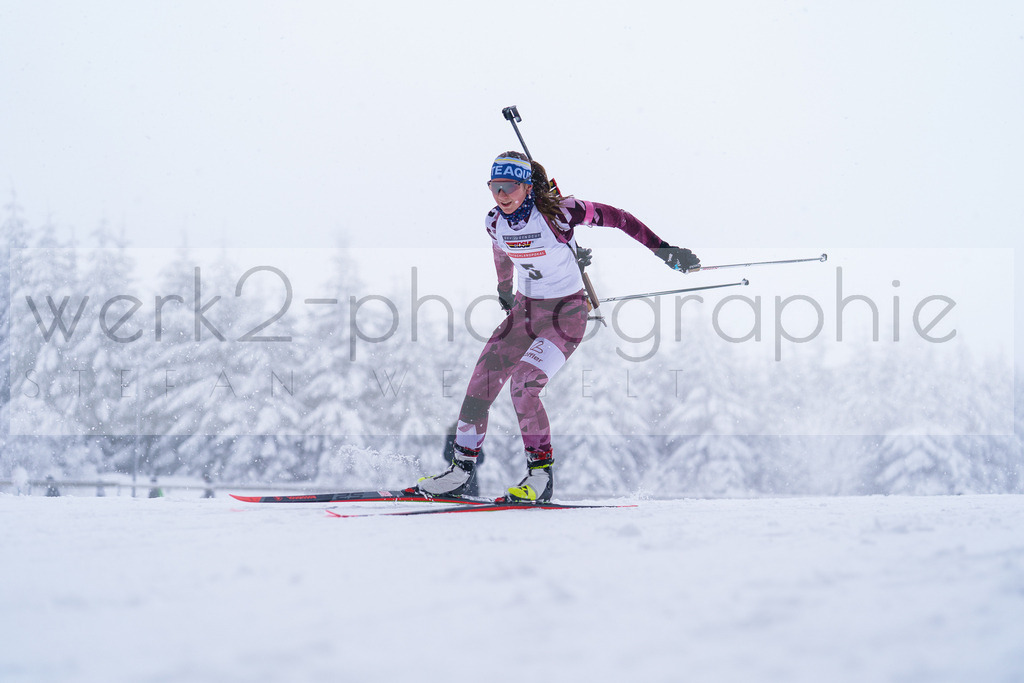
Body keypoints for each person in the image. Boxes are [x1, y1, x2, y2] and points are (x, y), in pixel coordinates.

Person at [415, 151, 699, 502]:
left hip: (567, 315)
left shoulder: (561, 213)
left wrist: (663, 249)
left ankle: (540, 476)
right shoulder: (493, 222)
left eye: (509, 186)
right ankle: (459, 472)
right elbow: (502, 254)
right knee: (480, 386)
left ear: (527, 186)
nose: (501, 195)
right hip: (524, 313)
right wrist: (504, 290)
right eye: (494, 187)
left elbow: (620, 219)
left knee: (523, 385)